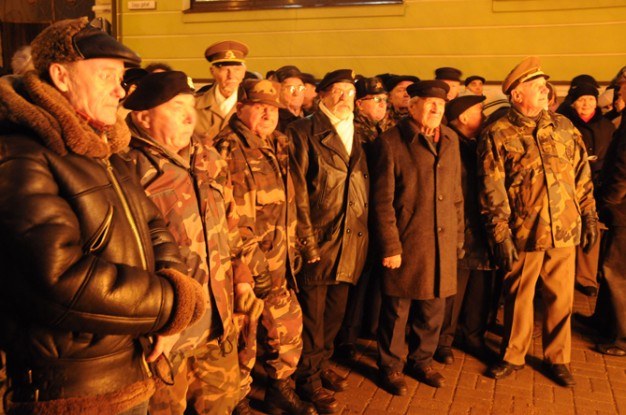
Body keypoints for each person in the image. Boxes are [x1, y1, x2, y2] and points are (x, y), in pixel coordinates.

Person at [0, 17, 206, 415]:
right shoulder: (20, 154)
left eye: (121, 78)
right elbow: (59, 278)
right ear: (61, 76)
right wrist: (173, 304)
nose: (121, 90)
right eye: (107, 75)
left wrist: (172, 288)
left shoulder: (103, 148)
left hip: (128, 367)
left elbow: (154, 226)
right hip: (74, 392)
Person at [123, 71, 262, 415]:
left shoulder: (206, 156)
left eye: (190, 106)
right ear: (143, 117)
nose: (189, 117)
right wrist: (158, 319)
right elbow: (124, 260)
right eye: (176, 107)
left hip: (217, 323)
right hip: (166, 334)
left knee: (221, 406)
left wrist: (241, 279)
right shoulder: (127, 167)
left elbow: (229, 226)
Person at [478, 56, 598, 387]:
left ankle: (558, 358)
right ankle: (512, 356)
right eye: (536, 86)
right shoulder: (498, 132)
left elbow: (581, 175)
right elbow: (491, 188)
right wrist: (500, 234)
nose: (545, 90)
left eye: (545, 85)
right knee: (518, 295)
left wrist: (589, 214)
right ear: (517, 94)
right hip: (524, 231)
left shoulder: (563, 126)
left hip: (564, 228)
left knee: (561, 297)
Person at [214, 79, 316, 415]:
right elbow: (231, 217)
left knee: (286, 328)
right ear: (240, 108)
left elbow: (292, 201)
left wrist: (297, 245)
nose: (267, 114)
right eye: (259, 107)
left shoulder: (279, 143)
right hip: (248, 266)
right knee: (244, 335)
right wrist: (251, 266)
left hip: (279, 260)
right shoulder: (228, 147)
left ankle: (278, 390)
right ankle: (238, 399)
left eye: (271, 108)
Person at [372, 80, 464, 395]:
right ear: (412, 106)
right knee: (397, 310)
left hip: (442, 240)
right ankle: (390, 367)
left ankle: (421, 361)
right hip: (407, 240)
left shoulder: (450, 138)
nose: (436, 109)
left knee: (433, 306)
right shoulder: (390, 143)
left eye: (441, 104)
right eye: (429, 103)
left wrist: (457, 239)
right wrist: (390, 246)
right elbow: (382, 202)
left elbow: (456, 195)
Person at [287, 69, 369, 414]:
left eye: (349, 92)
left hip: (351, 239)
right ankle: (306, 379)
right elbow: (297, 192)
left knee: (335, 314)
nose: (344, 97)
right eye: (336, 91)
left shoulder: (361, 132)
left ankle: (320, 365)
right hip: (319, 239)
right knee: (312, 318)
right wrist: (307, 243)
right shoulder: (302, 131)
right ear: (321, 95)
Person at [434, 95, 496, 363]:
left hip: (481, 228)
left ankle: (473, 336)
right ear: (463, 117)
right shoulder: (449, 144)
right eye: (479, 110)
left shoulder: (477, 143)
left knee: (480, 288)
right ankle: (443, 340)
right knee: (453, 290)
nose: (484, 116)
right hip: (460, 228)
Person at [335, 76, 387, 359]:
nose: (382, 105)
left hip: (371, 212)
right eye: (376, 100)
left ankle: (355, 331)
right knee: (354, 280)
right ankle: (345, 338)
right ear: (359, 104)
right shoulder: (355, 130)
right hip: (357, 214)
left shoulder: (378, 129)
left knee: (366, 279)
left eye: (384, 100)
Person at [557, 82, 616, 297]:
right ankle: (563, 274)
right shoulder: (564, 124)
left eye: (591, 99)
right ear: (573, 103)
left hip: (597, 184)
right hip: (569, 184)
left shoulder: (607, 126)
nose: (586, 104)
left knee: (593, 229)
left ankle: (586, 277)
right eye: (582, 99)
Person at [585, 71, 626, 357]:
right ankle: (602, 321)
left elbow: (623, 166)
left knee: (616, 272)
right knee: (611, 267)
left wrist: (608, 200)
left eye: (622, 89)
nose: (618, 94)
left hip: (622, 208)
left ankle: (621, 338)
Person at [195, 40, 248, 143]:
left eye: (237, 70)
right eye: (225, 70)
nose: (231, 76)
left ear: (244, 72)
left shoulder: (252, 105)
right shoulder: (194, 105)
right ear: (212, 71)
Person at [275, 65, 307, 132]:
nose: (296, 93)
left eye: (300, 88)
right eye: (290, 88)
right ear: (278, 91)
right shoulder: (274, 120)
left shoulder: (312, 116)